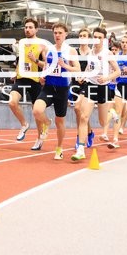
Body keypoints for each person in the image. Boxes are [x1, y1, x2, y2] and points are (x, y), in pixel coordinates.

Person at [31, 22, 78, 158]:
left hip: (63, 89)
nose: (57, 35)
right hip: (49, 86)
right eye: (55, 33)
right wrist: (42, 75)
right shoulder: (49, 49)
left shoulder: (71, 51)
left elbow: (77, 69)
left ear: (66, 34)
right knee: (37, 110)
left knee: (60, 121)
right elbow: (46, 65)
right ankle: (46, 122)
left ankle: (59, 148)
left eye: (60, 33)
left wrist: (65, 65)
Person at [72, 26, 119, 162]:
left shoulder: (108, 53)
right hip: (91, 86)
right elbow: (88, 67)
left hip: (103, 87)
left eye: (100, 38)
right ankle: (80, 149)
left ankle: (113, 114)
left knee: (102, 121)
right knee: (83, 116)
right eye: (96, 37)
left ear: (104, 40)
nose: (97, 39)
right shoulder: (91, 53)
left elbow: (117, 72)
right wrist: (83, 76)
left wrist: (107, 78)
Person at [8, 17, 46, 142]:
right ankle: (24, 124)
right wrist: (15, 72)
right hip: (21, 78)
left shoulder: (41, 44)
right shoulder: (22, 43)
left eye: (30, 27)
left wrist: (35, 60)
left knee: (36, 112)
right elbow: (21, 60)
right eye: (26, 27)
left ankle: (40, 138)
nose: (27, 30)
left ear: (36, 30)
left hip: (35, 80)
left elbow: (46, 64)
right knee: (12, 102)